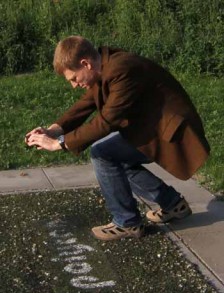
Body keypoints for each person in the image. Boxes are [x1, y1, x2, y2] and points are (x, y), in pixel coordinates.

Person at [25, 35, 210, 241]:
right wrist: (54, 130)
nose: (74, 86)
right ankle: (173, 204)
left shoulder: (121, 69)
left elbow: (106, 122)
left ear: (85, 63)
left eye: (74, 79)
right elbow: (87, 104)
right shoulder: (105, 65)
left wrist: (59, 144)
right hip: (151, 126)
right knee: (116, 157)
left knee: (102, 153)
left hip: (171, 132)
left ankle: (127, 222)